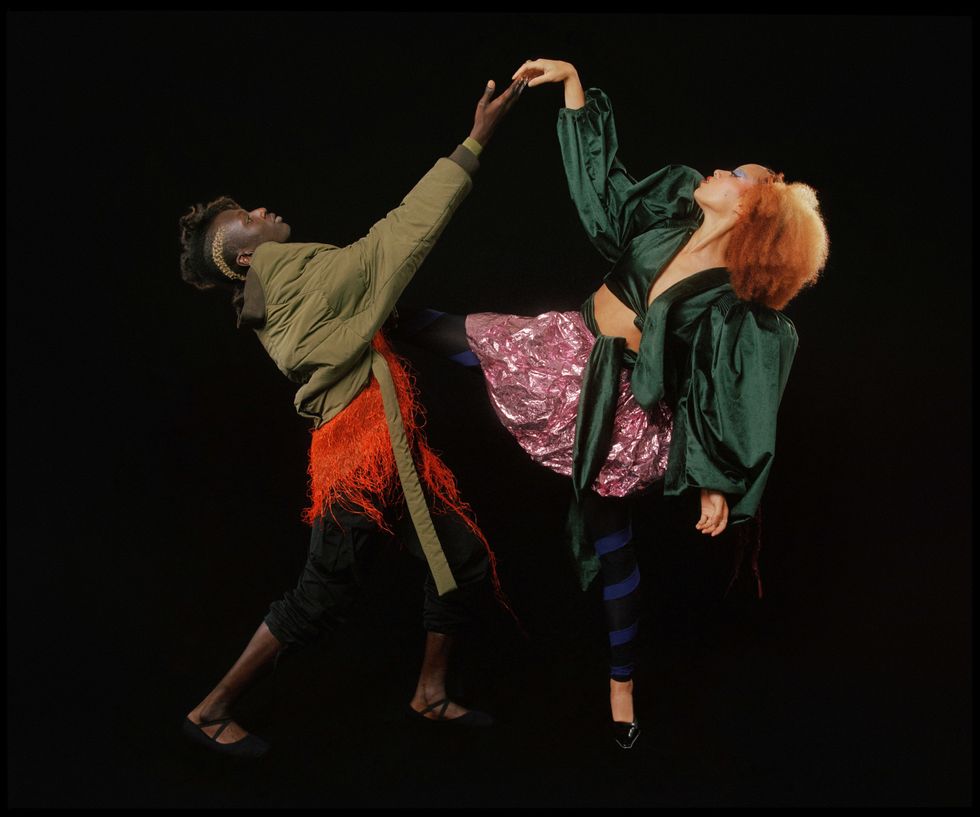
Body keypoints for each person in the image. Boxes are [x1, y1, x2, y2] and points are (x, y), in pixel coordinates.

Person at [395, 58, 828, 749]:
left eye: (736, 176)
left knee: (614, 550)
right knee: (440, 329)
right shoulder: (667, 218)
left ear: (753, 210)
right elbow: (605, 192)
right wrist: (574, 89)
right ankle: (352, 319)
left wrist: (715, 483)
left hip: (621, 412)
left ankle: (621, 685)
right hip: (565, 350)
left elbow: (725, 391)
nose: (718, 171)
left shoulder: (730, 303)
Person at [176, 75, 527, 758]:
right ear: (246, 254)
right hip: (358, 454)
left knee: (459, 556)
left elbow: (361, 294)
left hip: (390, 444)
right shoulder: (290, 278)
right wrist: (474, 143)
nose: (261, 209)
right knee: (323, 592)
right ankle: (211, 710)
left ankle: (430, 692)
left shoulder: (284, 286)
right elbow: (389, 246)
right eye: (245, 216)